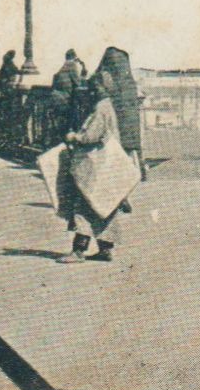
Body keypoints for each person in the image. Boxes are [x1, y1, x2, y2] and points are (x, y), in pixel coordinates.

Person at [56, 71, 140, 263]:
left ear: (100, 88)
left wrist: (74, 137)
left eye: (94, 87)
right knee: (104, 208)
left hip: (94, 167)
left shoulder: (100, 109)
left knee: (83, 206)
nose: (91, 90)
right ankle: (105, 249)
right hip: (105, 167)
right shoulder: (108, 107)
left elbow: (90, 137)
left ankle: (78, 251)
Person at [94, 46, 145, 180]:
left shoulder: (109, 61)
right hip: (130, 113)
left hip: (118, 110)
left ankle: (122, 175)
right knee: (132, 144)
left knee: (117, 145)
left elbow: (99, 81)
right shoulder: (129, 78)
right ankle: (139, 171)